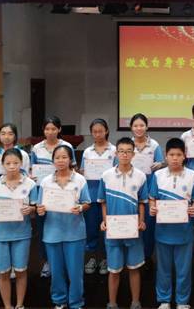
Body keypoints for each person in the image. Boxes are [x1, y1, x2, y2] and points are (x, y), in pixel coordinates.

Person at [149, 138, 194, 309]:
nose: (175, 158)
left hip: (184, 232)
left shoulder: (192, 175)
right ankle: (164, 300)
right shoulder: (158, 175)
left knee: (184, 269)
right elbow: (152, 198)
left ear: (184, 156)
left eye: (179, 154)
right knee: (163, 268)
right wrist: (152, 208)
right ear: (166, 155)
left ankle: (182, 301)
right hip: (163, 231)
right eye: (171, 154)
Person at [37, 145, 90, 309]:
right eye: (57, 158)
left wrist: (80, 208)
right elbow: (40, 206)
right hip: (52, 232)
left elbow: (87, 203)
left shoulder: (80, 180)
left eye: (64, 157)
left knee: (75, 272)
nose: (60, 161)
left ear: (70, 159)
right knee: (56, 271)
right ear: (53, 160)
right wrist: (40, 210)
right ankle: (59, 301)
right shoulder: (45, 181)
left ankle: (76, 302)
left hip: (75, 232)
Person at [98, 137, 148, 309]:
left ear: (133, 154)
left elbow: (142, 202)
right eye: (121, 151)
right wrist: (104, 221)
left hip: (133, 230)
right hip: (113, 231)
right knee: (114, 270)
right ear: (116, 153)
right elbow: (103, 202)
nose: (125, 154)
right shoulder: (106, 175)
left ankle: (135, 302)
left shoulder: (141, 176)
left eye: (128, 151)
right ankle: (112, 303)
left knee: (134, 268)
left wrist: (141, 221)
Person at [0, 148, 37, 309]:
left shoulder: (30, 184)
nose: (12, 166)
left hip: (22, 234)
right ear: (2, 165)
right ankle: (7, 306)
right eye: (8, 163)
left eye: (15, 163)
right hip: (0, 235)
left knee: (21, 271)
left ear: (21, 163)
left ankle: (20, 305)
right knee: (3, 273)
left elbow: (35, 209)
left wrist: (31, 209)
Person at [31, 116, 76, 278]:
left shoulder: (67, 146)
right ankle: (47, 261)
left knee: (63, 226)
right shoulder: (36, 148)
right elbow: (32, 169)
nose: (50, 132)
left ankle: (64, 262)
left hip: (64, 192)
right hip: (44, 193)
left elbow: (74, 169)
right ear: (43, 130)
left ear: (59, 129)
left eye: (53, 129)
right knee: (44, 227)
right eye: (47, 129)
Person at [81, 118, 115, 276]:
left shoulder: (114, 150)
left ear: (106, 131)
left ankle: (105, 259)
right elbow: (82, 172)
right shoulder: (87, 152)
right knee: (91, 228)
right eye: (94, 132)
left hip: (108, 196)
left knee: (106, 229)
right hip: (91, 195)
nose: (97, 134)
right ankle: (92, 258)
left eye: (100, 131)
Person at [130, 113, 165, 262]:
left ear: (147, 127)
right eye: (135, 125)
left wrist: (160, 164)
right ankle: (133, 256)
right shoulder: (127, 145)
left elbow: (161, 164)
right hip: (131, 191)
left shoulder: (154, 145)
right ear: (131, 128)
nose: (139, 128)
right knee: (132, 222)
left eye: (141, 125)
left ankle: (147, 256)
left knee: (148, 225)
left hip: (149, 188)